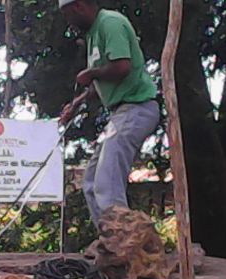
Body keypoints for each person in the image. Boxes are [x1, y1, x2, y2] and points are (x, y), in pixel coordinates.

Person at [59, 0, 160, 228]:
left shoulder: (110, 23)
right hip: (120, 114)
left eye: (68, 15)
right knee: (91, 182)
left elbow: (121, 67)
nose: (69, 22)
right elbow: (100, 82)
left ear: (79, 7)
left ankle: (123, 239)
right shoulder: (94, 33)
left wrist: (91, 72)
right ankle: (108, 239)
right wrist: (76, 103)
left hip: (136, 107)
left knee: (107, 181)